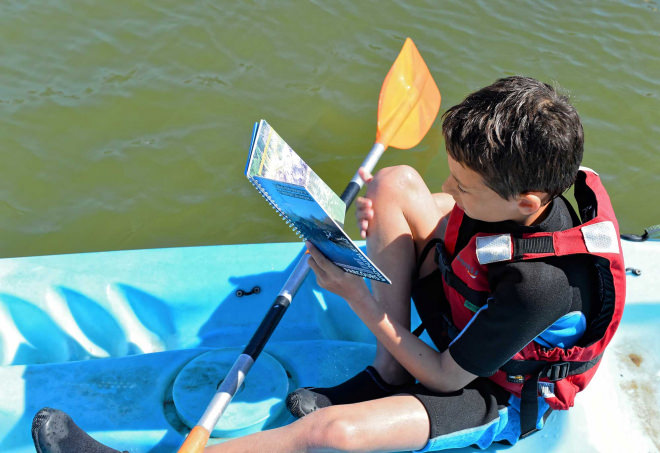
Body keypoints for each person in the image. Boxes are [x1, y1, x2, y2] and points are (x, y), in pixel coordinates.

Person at [31, 76, 625, 453]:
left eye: (465, 185)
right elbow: (445, 209)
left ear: (527, 202)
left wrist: (361, 298)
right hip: (463, 313)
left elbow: (448, 377)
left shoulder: (540, 287)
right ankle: (385, 375)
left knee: (330, 435)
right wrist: (383, 222)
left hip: (487, 389)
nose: (449, 187)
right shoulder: (514, 198)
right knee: (394, 182)